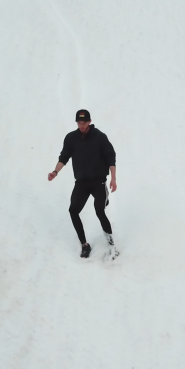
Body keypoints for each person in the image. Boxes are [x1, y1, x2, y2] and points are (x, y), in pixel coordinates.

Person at [48, 109, 118, 259]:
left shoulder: (99, 137)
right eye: (78, 122)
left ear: (89, 122)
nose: (81, 125)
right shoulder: (71, 138)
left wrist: (113, 179)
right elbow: (64, 157)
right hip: (81, 182)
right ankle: (84, 245)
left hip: (98, 181)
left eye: (83, 122)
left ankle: (112, 245)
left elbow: (111, 157)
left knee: (99, 210)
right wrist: (55, 172)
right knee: (73, 210)